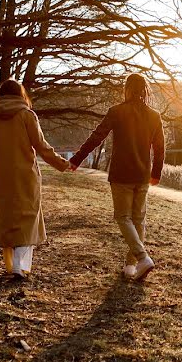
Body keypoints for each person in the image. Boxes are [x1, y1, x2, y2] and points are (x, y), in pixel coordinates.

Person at [70, 73, 165, 281]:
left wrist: (77, 159)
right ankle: (131, 267)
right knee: (138, 219)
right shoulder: (154, 115)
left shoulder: (117, 111)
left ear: (127, 89)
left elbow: (97, 136)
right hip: (142, 174)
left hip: (122, 174)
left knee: (123, 217)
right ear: (145, 90)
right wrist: (156, 172)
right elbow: (160, 148)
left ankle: (142, 258)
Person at [0, 79, 71, 279]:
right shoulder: (26, 115)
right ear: (21, 94)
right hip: (25, 176)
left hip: (1, 177)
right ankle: (19, 266)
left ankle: (11, 264)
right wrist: (62, 164)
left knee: (6, 219)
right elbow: (41, 145)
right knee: (27, 217)